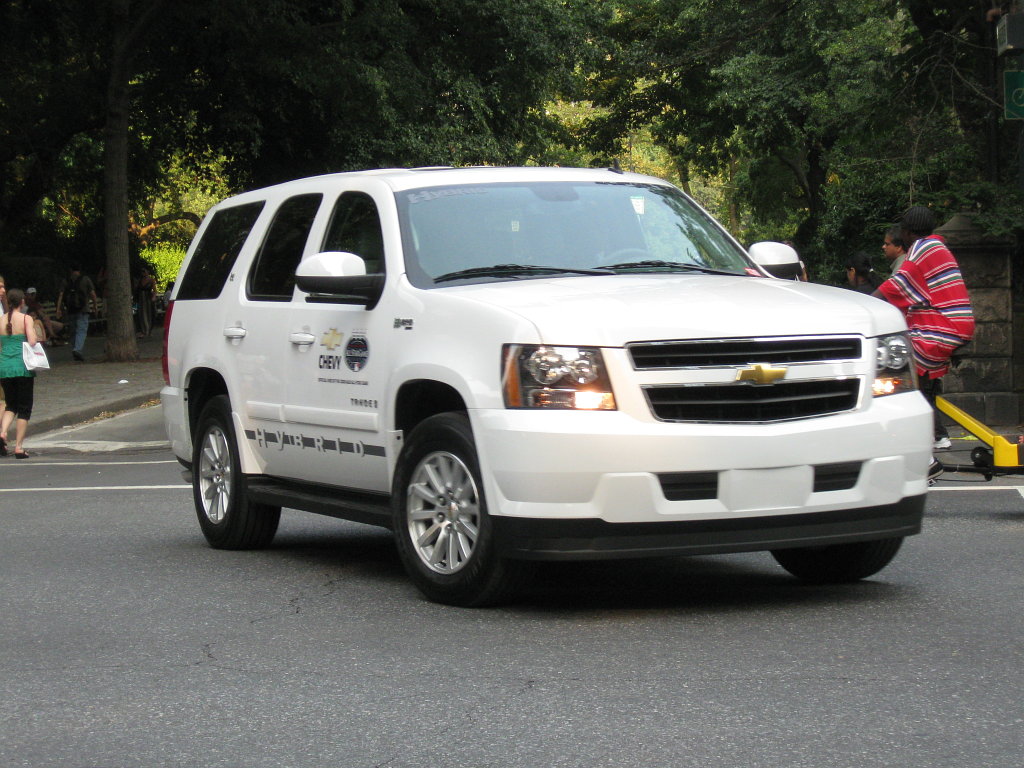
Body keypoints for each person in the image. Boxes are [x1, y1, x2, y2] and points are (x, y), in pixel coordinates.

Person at [874, 205, 975, 475]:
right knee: (911, 379)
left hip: (942, 327)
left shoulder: (921, 249)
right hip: (951, 324)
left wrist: (864, 306)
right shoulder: (936, 246)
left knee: (896, 374)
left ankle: (924, 457)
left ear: (907, 232)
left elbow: (896, 286)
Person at [0, 288, 39, 458]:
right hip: (22, 367)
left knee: (10, 405)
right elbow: (32, 340)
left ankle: (2, 432)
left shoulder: (1, 320)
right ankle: (19, 447)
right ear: (22, 302)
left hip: (4, 367)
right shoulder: (26, 318)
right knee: (24, 408)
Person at [56, 264, 98, 362]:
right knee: (81, 330)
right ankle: (77, 349)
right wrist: (95, 306)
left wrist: (58, 309)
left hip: (70, 309)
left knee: (73, 330)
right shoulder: (85, 279)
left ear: (70, 270)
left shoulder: (66, 281)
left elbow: (61, 295)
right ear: (80, 270)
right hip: (83, 309)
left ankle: (75, 348)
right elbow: (92, 294)